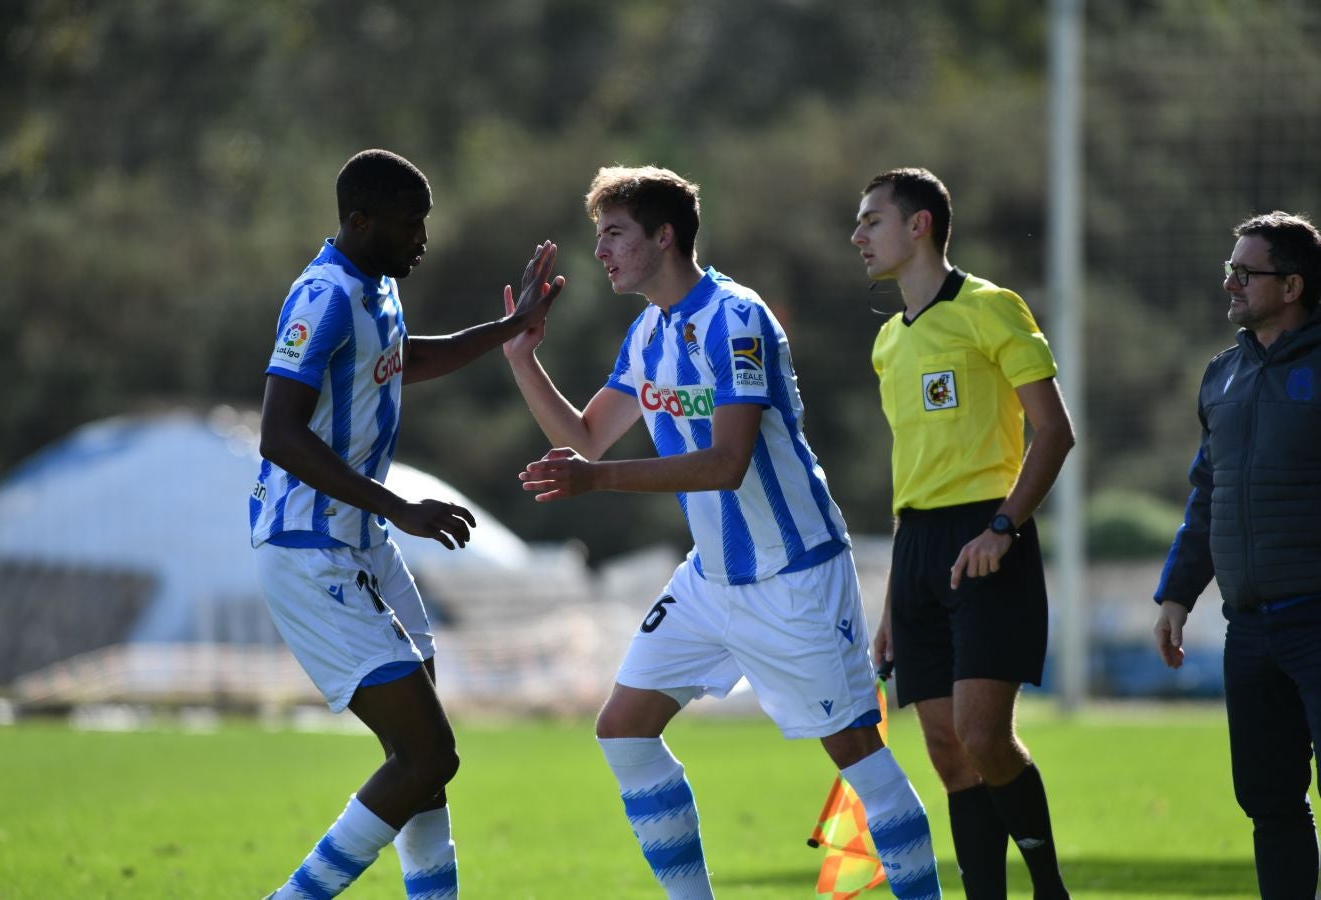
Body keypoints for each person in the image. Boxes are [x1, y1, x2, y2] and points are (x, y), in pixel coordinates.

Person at [503, 164, 940, 900]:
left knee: (860, 761)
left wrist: (595, 480)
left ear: (664, 236)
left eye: (615, 234)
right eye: (598, 236)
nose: (601, 252)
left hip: (794, 576)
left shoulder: (737, 317)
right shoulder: (648, 333)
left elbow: (729, 462)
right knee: (623, 729)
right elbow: (584, 437)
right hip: (712, 579)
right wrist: (523, 356)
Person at [250, 148, 564, 899]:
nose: (422, 239)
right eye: (408, 225)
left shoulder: (377, 288)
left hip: (363, 546)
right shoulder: (323, 295)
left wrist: (507, 329)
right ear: (359, 222)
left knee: (421, 762)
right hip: (310, 550)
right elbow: (278, 435)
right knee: (428, 756)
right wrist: (401, 507)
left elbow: (398, 359)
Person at [851, 167, 1074, 899]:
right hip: (917, 551)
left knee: (984, 735)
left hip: (987, 541)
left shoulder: (990, 308)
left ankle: (1048, 888)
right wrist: (889, 605)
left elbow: (1055, 432)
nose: (858, 236)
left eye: (871, 221)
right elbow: (911, 473)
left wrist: (1003, 528)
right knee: (948, 753)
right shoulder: (888, 342)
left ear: (919, 226)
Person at [1153, 211, 1321, 899]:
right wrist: (1176, 593)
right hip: (1249, 629)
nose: (1229, 283)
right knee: (1269, 802)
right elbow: (1208, 493)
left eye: (1244, 273)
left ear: (1291, 285)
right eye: (1229, 269)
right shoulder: (1222, 375)